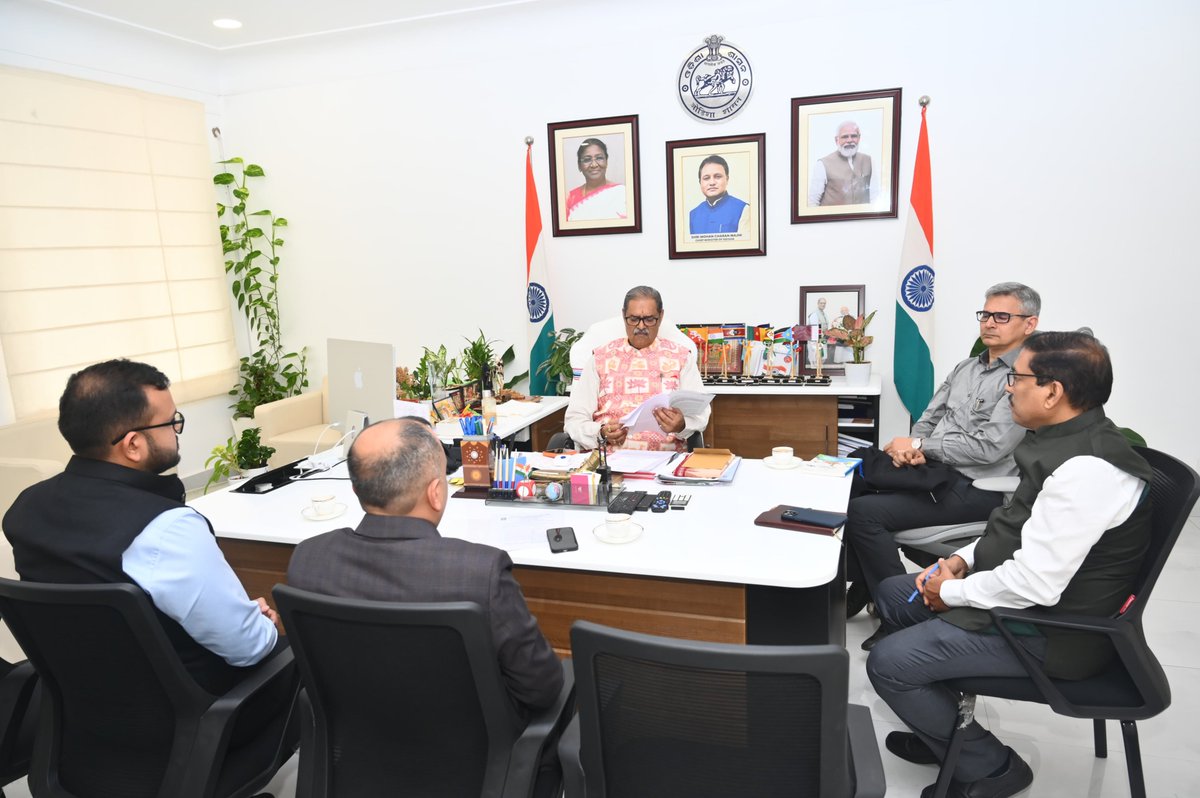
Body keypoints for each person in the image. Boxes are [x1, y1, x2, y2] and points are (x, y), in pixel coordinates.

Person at [867, 331, 1153, 798]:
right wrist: (959, 560)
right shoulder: (1062, 439)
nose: (1007, 386)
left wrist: (950, 591)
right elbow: (1013, 524)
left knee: (890, 662)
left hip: (1056, 630)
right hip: (1022, 599)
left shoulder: (1088, 470)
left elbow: (1036, 585)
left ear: (1052, 391)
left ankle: (993, 768)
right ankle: (943, 729)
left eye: (1017, 378)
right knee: (895, 594)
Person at [286, 418, 566, 794]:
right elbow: (542, 688)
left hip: (359, 762)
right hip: (478, 768)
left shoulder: (309, 559)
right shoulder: (478, 571)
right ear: (436, 493)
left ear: (357, 489)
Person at [3, 359, 281, 696]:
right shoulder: (166, 529)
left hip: (84, 711)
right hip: (198, 723)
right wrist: (260, 625)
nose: (177, 430)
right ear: (133, 444)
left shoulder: (25, 508)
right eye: (170, 422)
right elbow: (248, 649)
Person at [846, 282, 1042, 650]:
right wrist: (911, 449)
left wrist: (922, 446)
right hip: (934, 474)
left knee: (864, 513)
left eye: (1002, 316)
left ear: (1029, 324)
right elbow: (928, 418)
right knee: (850, 483)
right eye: (985, 315)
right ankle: (865, 586)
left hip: (978, 487)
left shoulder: (1024, 378)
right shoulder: (966, 368)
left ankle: (898, 616)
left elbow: (989, 449)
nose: (989, 323)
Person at [564, 286, 711, 452]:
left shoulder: (682, 357)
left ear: (661, 316)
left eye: (649, 319)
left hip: (666, 464)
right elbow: (575, 419)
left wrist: (682, 424)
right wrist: (601, 433)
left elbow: (701, 414)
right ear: (623, 315)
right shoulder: (599, 357)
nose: (641, 326)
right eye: (633, 319)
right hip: (608, 464)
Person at [807, 121, 875, 207]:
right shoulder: (822, 164)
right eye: (845, 137)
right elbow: (812, 201)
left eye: (853, 136)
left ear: (859, 138)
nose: (850, 140)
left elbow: (875, 196)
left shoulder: (869, 161)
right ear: (837, 140)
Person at [565, 138, 627, 222]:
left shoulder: (623, 194)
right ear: (579, 166)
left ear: (606, 162)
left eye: (599, 158)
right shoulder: (570, 199)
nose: (594, 165)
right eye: (587, 159)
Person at [688, 155, 748, 235]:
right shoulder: (693, 214)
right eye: (706, 178)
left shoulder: (744, 209)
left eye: (718, 177)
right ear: (700, 182)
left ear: (727, 179)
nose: (712, 182)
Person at [806, 297, 829, 367]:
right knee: (815, 356)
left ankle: (819, 371)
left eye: (824, 303)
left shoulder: (824, 314)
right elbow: (814, 327)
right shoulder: (814, 314)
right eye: (821, 303)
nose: (823, 305)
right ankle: (815, 372)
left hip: (822, 338)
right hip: (815, 339)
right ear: (818, 304)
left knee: (823, 356)